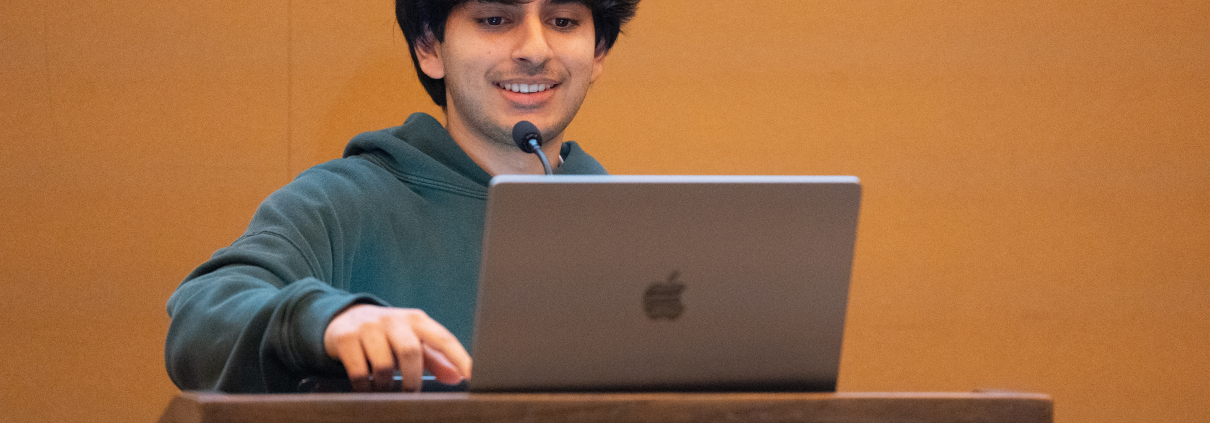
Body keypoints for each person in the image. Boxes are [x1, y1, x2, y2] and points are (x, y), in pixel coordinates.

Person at [165, 0, 640, 393]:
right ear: (429, 46)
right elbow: (199, 320)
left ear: (597, 51)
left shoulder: (637, 229)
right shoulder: (339, 203)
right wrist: (325, 321)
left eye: (562, 22)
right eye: (495, 19)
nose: (535, 50)